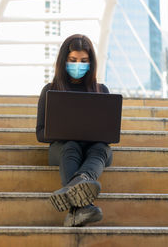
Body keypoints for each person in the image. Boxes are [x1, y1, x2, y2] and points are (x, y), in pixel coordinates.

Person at [36, 34, 113, 227]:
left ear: (91, 63)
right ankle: (82, 192)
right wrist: (65, 131)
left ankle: (77, 190)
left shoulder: (101, 90)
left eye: (84, 61)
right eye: (73, 60)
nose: (78, 65)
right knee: (70, 145)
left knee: (102, 148)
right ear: (64, 61)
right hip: (62, 149)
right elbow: (40, 133)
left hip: (94, 150)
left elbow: (108, 133)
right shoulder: (50, 90)